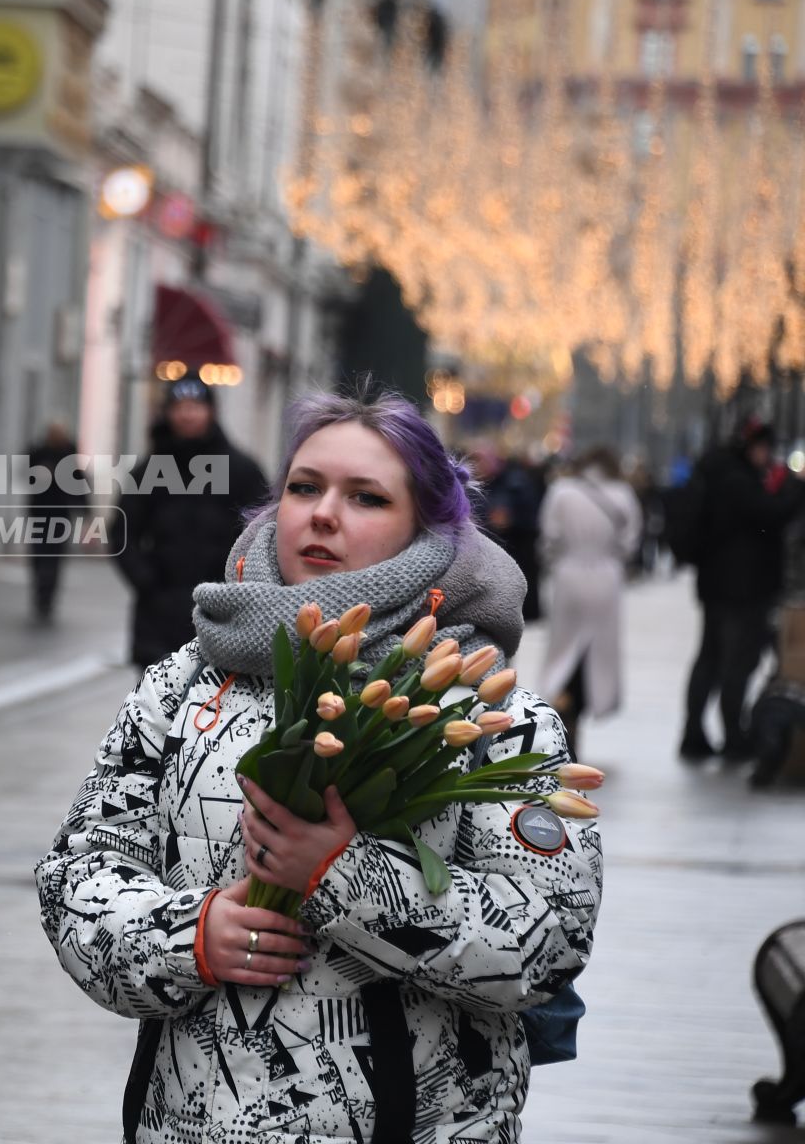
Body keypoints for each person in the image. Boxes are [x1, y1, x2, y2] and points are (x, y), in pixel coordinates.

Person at [37, 387, 600, 1144]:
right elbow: (78, 873)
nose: (323, 513)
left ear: (426, 530)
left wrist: (339, 873)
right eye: (304, 487)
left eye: (366, 497)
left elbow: (551, 936)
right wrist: (192, 935)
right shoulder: (186, 682)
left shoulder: (486, 712)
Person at [111, 377, 267, 672]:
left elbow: (263, 531)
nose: (187, 414)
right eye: (179, 407)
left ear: (211, 411)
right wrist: (146, 581)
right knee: (155, 709)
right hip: (159, 615)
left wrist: (240, 588)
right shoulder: (149, 471)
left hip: (221, 614)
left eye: (196, 406)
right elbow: (122, 532)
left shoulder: (242, 470)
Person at [681, 416, 805, 760]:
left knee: (710, 659)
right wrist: (796, 489)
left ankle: (694, 734)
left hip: (718, 585)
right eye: (764, 448)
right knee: (737, 662)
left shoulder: (717, 471)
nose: (768, 456)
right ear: (751, 447)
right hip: (742, 589)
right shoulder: (737, 478)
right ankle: (733, 737)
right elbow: (769, 514)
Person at [537, 446, 642, 754]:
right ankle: (586, 702)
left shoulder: (561, 491)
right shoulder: (623, 494)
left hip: (568, 573)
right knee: (597, 649)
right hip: (606, 576)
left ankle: (562, 702)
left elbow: (549, 535)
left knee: (563, 647)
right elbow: (630, 541)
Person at [480, 444, 546, 622]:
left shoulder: (515, 482)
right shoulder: (485, 484)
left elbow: (530, 514)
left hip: (518, 544)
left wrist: (511, 519)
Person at [26, 421, 81, 625]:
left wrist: (86, 513)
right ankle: (40, 595)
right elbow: (26, 474)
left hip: (60, 517)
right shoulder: (38, 452)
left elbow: (79, 484)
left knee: (54, 559)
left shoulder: (69, 455)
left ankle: (48, 598)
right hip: (40, 514)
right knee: (40, 557)